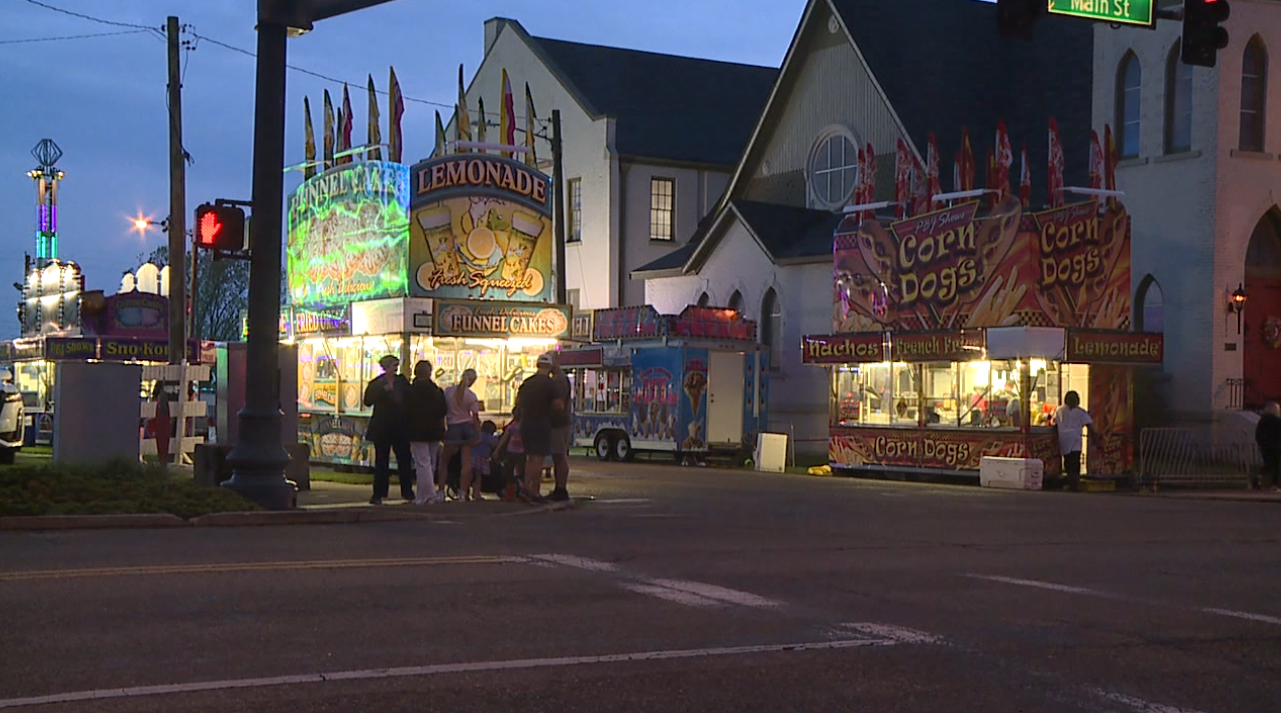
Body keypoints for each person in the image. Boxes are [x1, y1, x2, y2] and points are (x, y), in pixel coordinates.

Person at [363, 354, 415, 505]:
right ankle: (378, 493)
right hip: (383, 426)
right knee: (381, 461)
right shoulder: (376, 384)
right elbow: (368, 401)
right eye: (393, 365)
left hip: (400, 426)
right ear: (385, 367)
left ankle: (407, 492)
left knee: (404, 460)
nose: (395, 368)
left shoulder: (402, 382)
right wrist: (383, 391)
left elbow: (409, 398)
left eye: (396, 365)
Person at [515, 354, 558, 503]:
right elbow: (558, 405)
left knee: (530, 458)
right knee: (539, 459)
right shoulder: (550, 384)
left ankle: (526, 488)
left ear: (537, 365)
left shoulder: (527, 383)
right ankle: (534, 491)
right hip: (542, 423)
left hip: (526, 423)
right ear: (550, 366)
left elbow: (518, 402)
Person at [408, 360, 448, 504]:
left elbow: (406, 410)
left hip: (417, 430)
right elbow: (443, 410)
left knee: (422, 463)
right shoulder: (437, 391)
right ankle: (425, 494)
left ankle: (427, 494)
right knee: (431, 462)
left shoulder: (411, 391)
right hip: (435, 430)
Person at [441, 368, 482, 502]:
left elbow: (443, 410)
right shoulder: (471, 396)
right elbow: (475, 417)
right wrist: (478, 434)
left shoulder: (448, 391)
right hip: (467, 428)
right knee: (466, 463)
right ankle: (462, 494)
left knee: (444, 461)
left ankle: (441, 491)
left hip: (453, 427)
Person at [1052, 390, 1094, 492]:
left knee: (1068, 462)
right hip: (1075, 440)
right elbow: (1089, 425)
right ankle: (1074, 485)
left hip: (1063, 439)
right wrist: (1095, 438)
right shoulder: (1080, 412)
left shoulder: (1059, 410)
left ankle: (1071, 483)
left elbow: (1054, 423)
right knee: (1075, 462)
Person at [547, 353, 573, 501]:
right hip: (560, 422)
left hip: (559, 423)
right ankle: (559, 488)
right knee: (558, 456)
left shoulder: (559, 380)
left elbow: (558, 405)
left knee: (559, 456)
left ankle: (561, 489)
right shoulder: (558, 379)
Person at [469, 420, 500, 500]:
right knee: (478, 477)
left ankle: (466, 492)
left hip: (472, 457)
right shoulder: (487, 437)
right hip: (481, 459)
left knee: (470, 476)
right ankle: (476, 493)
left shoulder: (478, 435)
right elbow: (495, 443)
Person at [1254, 402, 1281, 491]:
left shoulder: (1262, 421)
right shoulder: (1277, 421)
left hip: (1264, 446)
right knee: (1276, 465)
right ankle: (1274, 485)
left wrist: (1261, 443)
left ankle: (1259, 478)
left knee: (1268, 465)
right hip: (1276, 446)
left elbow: (1258, 434)